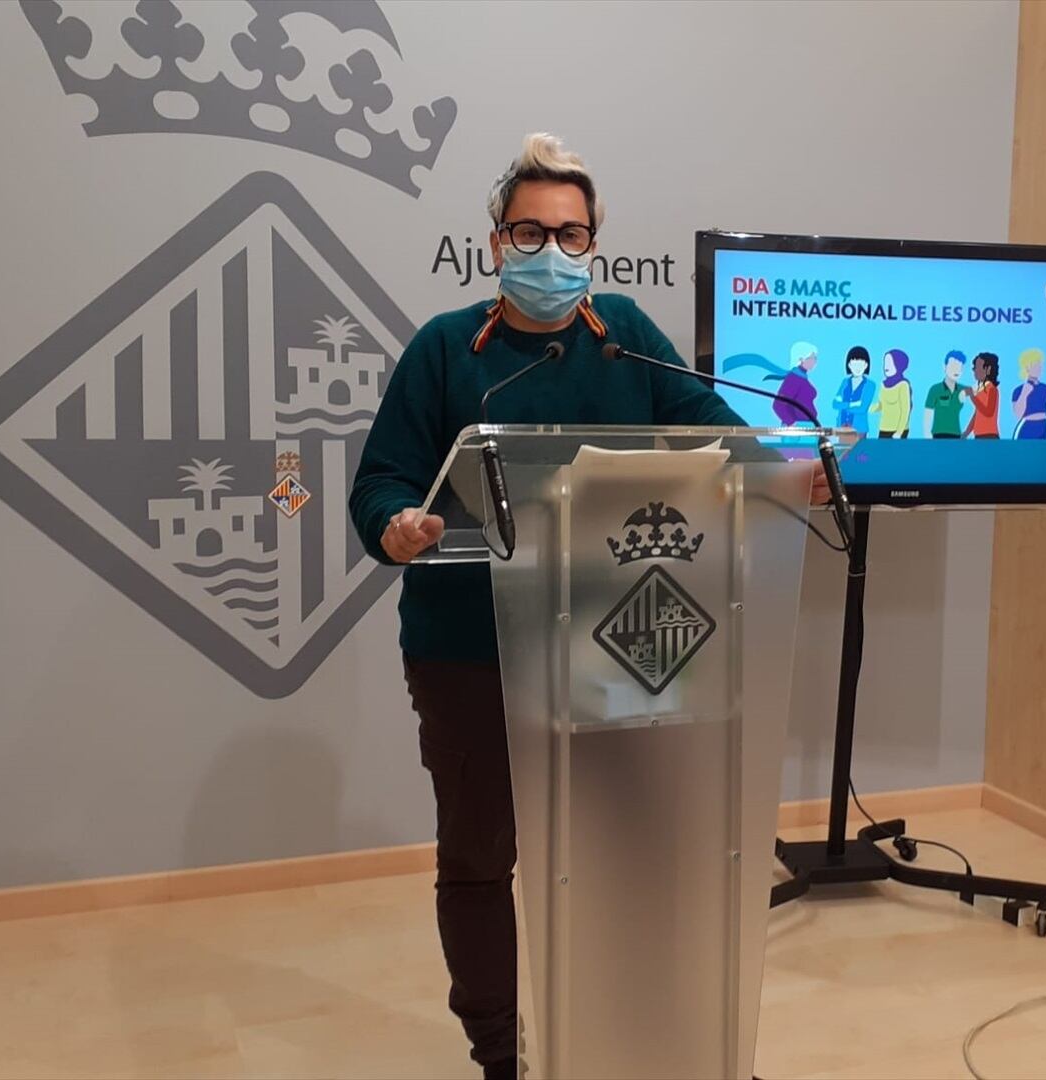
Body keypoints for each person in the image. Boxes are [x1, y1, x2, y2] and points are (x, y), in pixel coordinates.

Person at [348, 133, 828, 1080]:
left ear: (595, 243)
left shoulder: (626, 334)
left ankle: (652, 1034)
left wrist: (785, 473)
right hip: (467, 647)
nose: (553, 251)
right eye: (532, 231)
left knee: (632, 843)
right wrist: (397, 525)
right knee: (483, 857)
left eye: (573, 235)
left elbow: (718, 439)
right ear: (495, 243)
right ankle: (500, 1055)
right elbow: (382, 483)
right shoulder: (445, 348)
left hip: (614, 637)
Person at [921, 349, 970, 438]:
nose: (956, 370)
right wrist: (928, 437)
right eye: (953, 367)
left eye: (959, 368)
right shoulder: (935, 389)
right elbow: (928, 415)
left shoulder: (963, 389)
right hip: (938, 435)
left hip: (956, 435)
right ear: (945, 367)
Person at [773, 341, 821, 426]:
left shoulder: (802, 377)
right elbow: (778, 404)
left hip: (806, 425)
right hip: (799, 427)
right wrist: (791, 423)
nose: (815, 361)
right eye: (811, 358)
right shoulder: (794, 378)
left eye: (815, 358)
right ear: (801, 359)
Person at [831, 346, 876, 434]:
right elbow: (835, 404)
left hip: (859, 429)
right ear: (849, 365)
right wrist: (853, 404)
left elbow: (862, 408)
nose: (857, 368)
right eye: (854, 364)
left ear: (866, 365)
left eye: (860, 364)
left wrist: (844, 405)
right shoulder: (845, 382)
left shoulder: (870, 385)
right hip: (841, 427)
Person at [872, 348, 913, 437]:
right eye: (885, 363)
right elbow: (880, 405)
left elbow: (905, 410)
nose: (886, 367)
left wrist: (899, 432)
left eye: (890, 363)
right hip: (884, 428)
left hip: (898, 431)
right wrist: (866, 408)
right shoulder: (883, 385)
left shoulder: (903, 385)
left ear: (899, 365)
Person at [963, 351, 1000, 438]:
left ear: (988, 369)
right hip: (978, 435)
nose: (974, 370)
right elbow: (977, 414)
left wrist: (972, 396)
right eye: (974, 367)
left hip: (990, 436)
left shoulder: (992, 389)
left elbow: (988, 412)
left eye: (978, 367)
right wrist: (966, 433)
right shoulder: (980, 390)